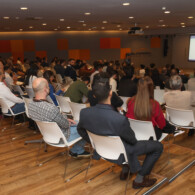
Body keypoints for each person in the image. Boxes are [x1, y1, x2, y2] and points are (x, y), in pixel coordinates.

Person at [77, 73, 163, 189]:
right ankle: (139, 179)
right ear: (110, 94)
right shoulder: (119, 119)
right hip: (121, 151)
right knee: (158, 147)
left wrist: (94, 142)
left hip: (103, 150)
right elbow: (132, 141)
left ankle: (126, 169)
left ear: (95, 96)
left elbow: (81, 131)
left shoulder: (84, 113)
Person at [28, 78, 90, 158]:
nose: (49, 88)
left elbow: (52, 119)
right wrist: (65, 119)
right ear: (45, 89)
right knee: (87, 125)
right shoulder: (50, 108)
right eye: (48, 86)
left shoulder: (31, 104)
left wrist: (64, 118)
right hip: (62, 137)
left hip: (48, 135)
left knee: (78, 122)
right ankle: (77, 150)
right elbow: (65, 125)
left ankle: (77, 150)